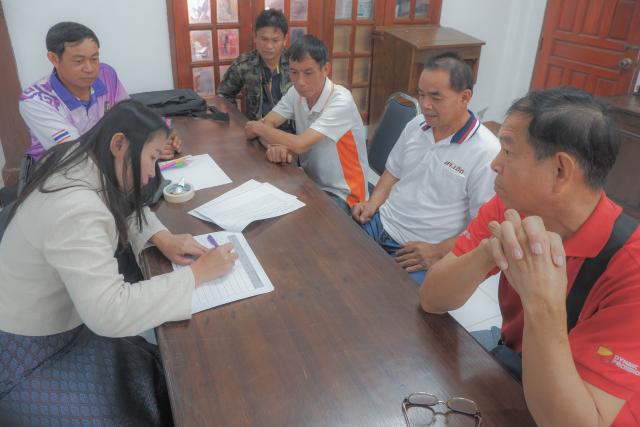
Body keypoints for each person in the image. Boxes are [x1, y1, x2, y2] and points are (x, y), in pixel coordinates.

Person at [0, 100, 238, 425]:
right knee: (134, 407)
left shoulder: (83, 156)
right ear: (119, 144)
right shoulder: (74, 208)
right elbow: (109, 311)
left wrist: (162, 238)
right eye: (152, 158)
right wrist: (196, 275)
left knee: (153, 376)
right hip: (32, 350)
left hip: (71, 314)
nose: (152, 174)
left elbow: (119, 202)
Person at [421, 87, 640, 426]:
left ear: (560, 171)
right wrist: (488, 251)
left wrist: (542, 304)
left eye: (508, 151)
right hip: (515, 368)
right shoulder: (511, 207)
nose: (495, 164)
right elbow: (432, 299)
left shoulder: (631, 270)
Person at [352, 52, 499, 283]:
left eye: (436, 97)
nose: (425, 105)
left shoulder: (486, 152)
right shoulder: (416, 125)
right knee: (334, 261)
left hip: (421, 250)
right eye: (421, 94)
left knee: (383, 298)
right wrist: (372, 204)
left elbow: (483, 227)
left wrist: (438, 252)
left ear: (465, 97)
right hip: (381, 222)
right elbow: (392, 172)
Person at [19, 21, 181, 163]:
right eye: (79, 61)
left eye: (94, 58)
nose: (90, 68)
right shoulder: (35, 100)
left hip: (112, 161)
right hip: (60, 171)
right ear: (54, 59)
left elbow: (129, 116)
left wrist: (159, 135)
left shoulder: (105, 75)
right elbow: (75, 154)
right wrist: (142, 150)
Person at [245, 35, 369, 213]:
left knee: (294, 221)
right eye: (294, 72)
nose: (300, 81)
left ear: (325, 69)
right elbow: (266, 124)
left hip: (345, 194)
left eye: (308, 73)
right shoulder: (296, 93)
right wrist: (274, 146)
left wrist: (258, 128)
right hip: (311, 183)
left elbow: (299, 144)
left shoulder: (341, 100)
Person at [217, 9, 292, 124]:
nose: (269, 46)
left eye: (275, 40)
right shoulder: (244, 63)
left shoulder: (295, 63)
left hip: (290, 132)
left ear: (285, 40)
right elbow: (223, 94)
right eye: (264, 39)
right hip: (255, 130)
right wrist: (237, 121)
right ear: (255, 36)